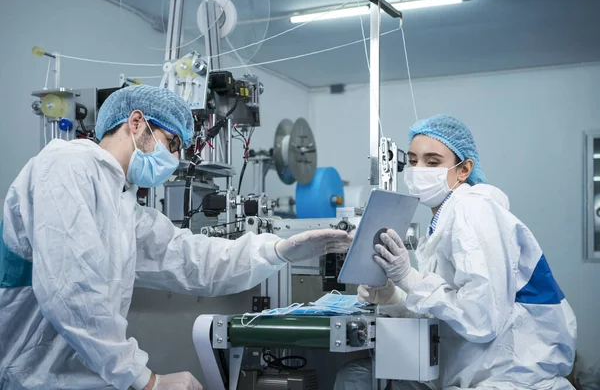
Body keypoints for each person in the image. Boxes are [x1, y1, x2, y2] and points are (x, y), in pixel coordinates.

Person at [0, 85, 352, 390]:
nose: (174, 158)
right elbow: (71, 291)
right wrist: (147, 380)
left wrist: (278, 251)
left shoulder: (123, 204)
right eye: (171, 143)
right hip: (29, 374)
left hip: (84, 376)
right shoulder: (68, 165)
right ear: (136, 122)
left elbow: (192, 259)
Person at [335, 114, 577, 390]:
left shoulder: (473, 210)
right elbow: (450, 307)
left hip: (510, 379)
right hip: (478, 373)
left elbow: (481, 319)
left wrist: (409, 278)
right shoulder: (446, 219)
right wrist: (395, 296)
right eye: (413, 161)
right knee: (359, 375)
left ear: (464, 170)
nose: (418, 169)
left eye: (433, 162)